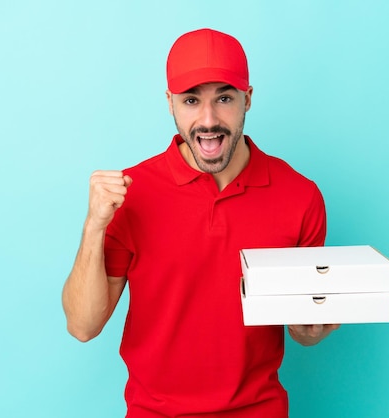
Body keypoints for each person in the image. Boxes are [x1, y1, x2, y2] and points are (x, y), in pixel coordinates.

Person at [62, 28, 340, 418]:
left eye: (224, 98)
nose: (208, 120)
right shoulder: (130, 193)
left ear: (248, 99)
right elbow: (83, 326)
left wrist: (305, 329)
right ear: (170, 103)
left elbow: (303, 328)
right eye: (191, 100)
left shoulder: (300, 196)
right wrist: (94, 226)